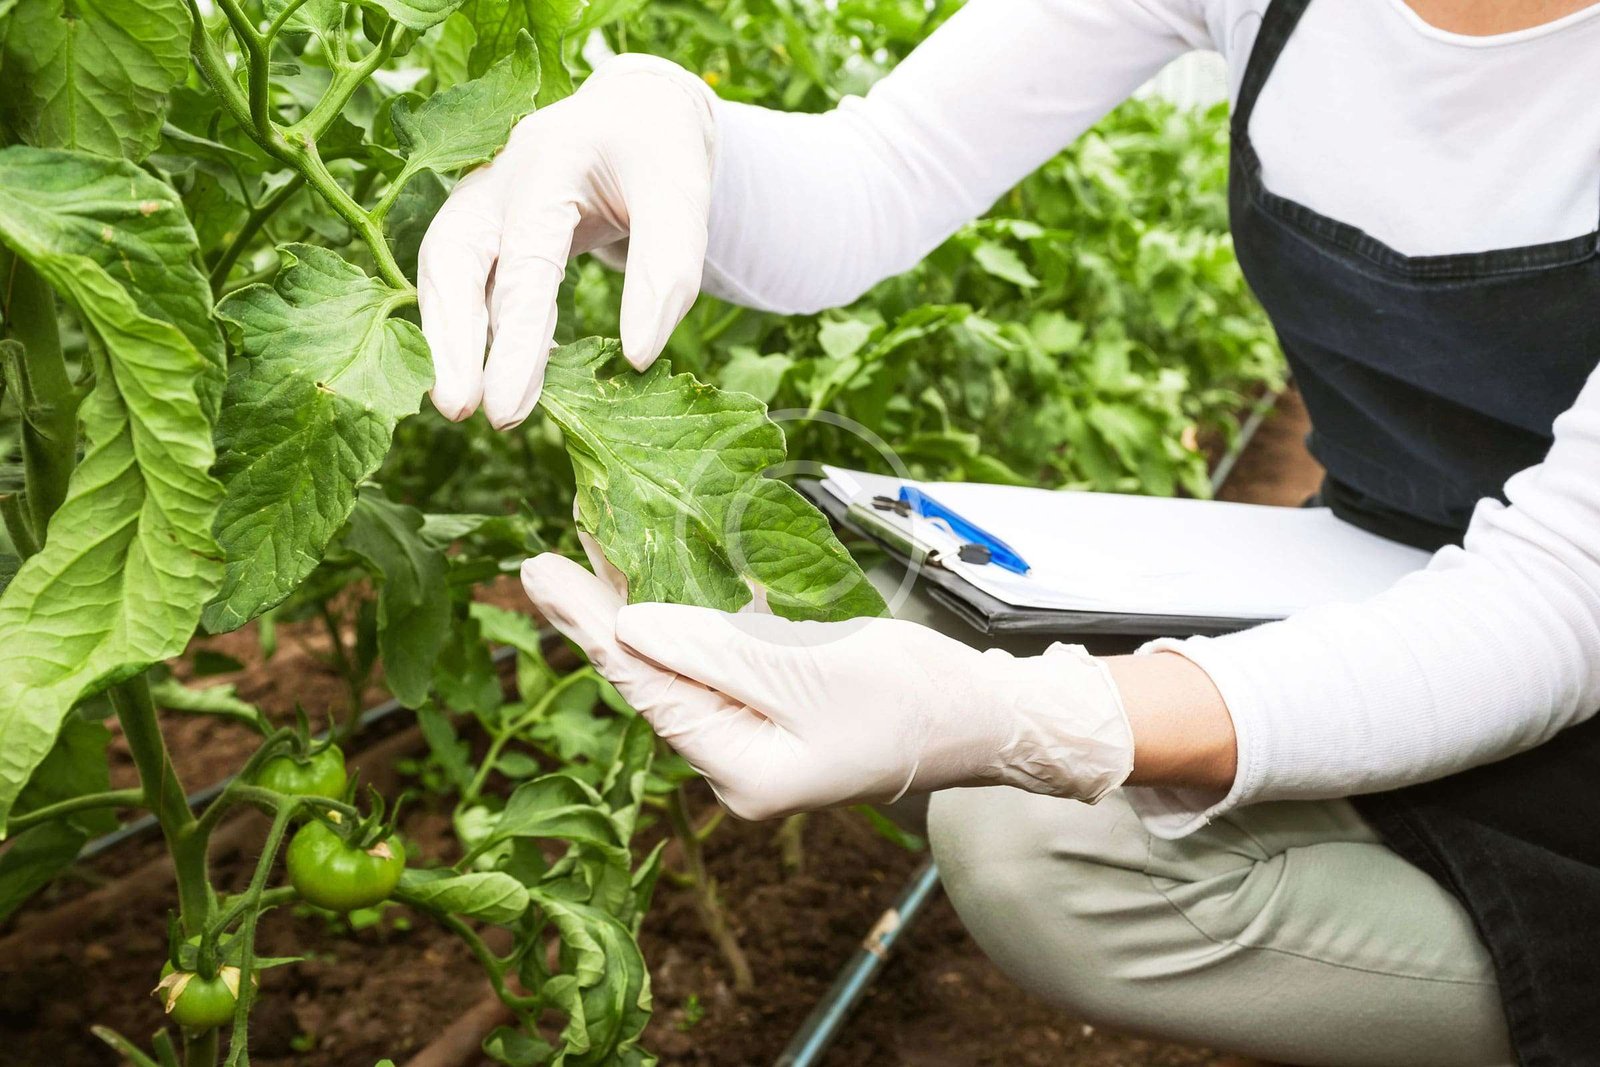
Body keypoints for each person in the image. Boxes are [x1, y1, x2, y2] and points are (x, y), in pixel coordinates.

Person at [416, 1, 1600, 1063]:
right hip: (1377, 561)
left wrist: (1050, 718)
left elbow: (1557, 597)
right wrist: (669, 134)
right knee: (824, 606)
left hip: (1562, 637)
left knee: (1029, 837)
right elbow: (881, 173)